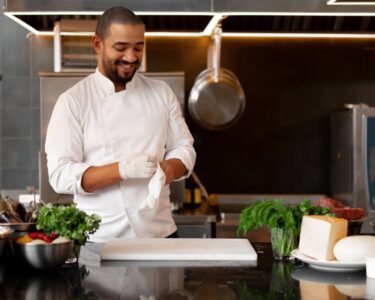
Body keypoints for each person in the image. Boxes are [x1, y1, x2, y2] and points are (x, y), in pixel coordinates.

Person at [45, 6, 196, 242]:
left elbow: (184, 148)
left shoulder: (161, 93)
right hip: (99, 240)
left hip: (160, 235)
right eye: (121, 47)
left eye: (138, 47)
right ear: (98, 45)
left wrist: (168, 170)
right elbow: (60, 174)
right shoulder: (73, 101)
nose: (131, 57)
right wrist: (122, 170)